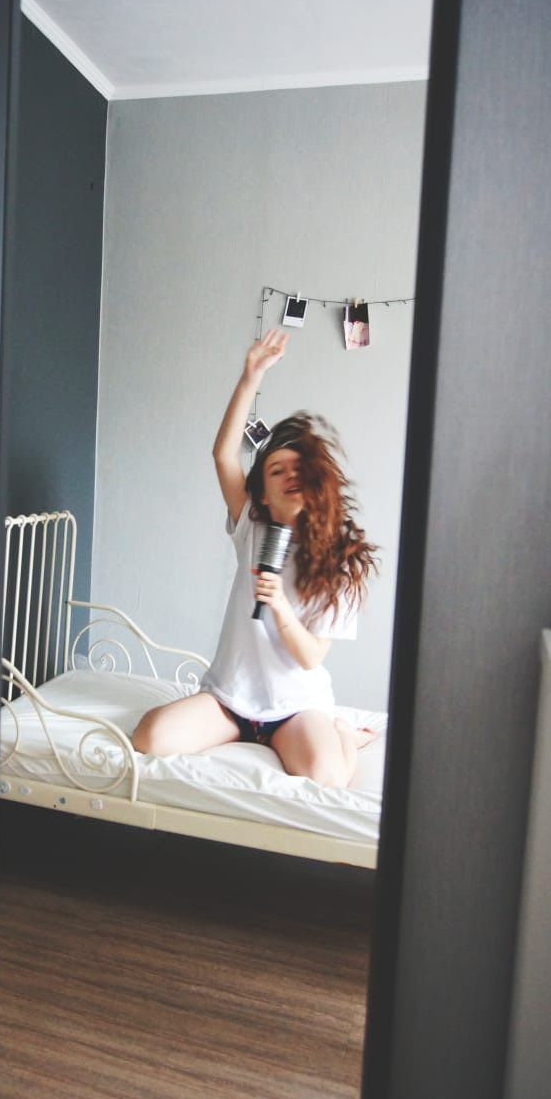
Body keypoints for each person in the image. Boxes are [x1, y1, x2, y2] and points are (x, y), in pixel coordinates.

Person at [131, 328, 379, 788]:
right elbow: (223, 455)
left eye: (298, 468)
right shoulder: (252, 527)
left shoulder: (339, 565)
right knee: (150, 737)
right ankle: (256, 730)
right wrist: (251, 376)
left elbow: (310, 657)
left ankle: (344, 734)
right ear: (262, 493)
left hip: (296, 708)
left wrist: (280, 606)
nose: (289, 475)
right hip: (230, 699)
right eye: (276, 470)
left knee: (327, 775)